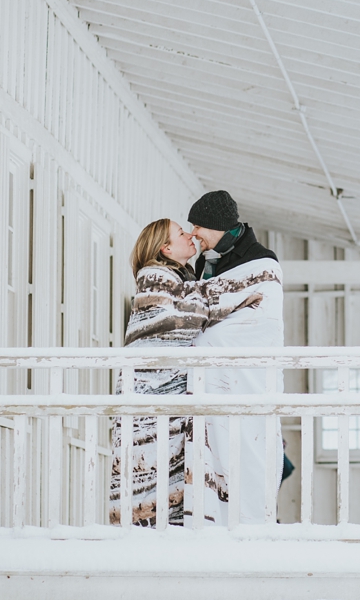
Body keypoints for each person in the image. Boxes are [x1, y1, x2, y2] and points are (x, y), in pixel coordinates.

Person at [109, 218, 278, 528]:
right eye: (182, 233)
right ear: (166, 247)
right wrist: (243, 290)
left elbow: (197, 297)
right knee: (146, 488)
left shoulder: (178, 278)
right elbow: (186, 318)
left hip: (166, 407)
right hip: (148, 407)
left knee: (167, 489)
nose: (191, 236)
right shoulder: (153, 278)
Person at [188, 190, 287, 523]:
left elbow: (263, 321)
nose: (193, 233)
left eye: (197, 226)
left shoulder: (261, 262)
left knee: (249, 454)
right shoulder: (207, 260)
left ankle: (252, 523)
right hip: (208, 385)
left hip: (247, 378)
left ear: (216, 226)